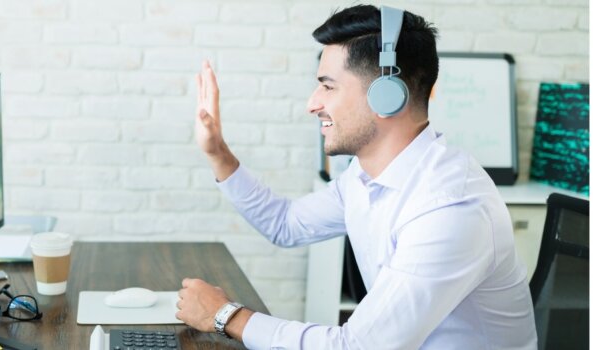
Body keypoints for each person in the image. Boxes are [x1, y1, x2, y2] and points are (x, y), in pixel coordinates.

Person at [176, 5, 536, 349]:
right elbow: (285, 224)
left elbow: (361, 345)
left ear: (387, 96)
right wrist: (217, 152)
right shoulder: (364, 177)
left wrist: (225, 316)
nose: (312, 103)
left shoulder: (451, 208)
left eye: (328, 86)